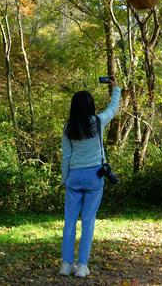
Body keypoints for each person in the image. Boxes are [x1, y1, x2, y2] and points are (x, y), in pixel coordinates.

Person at [59, 77, 121, 278]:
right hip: (95, 176)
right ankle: (83, 266)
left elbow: (66, 155)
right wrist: (116, 88)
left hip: (74, 177)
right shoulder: (97, 122)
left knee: (69, 222)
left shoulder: (69, 127)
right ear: (91, 106)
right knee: (88, 221)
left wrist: (64, 178)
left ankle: (67, 265)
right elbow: (112, 109)